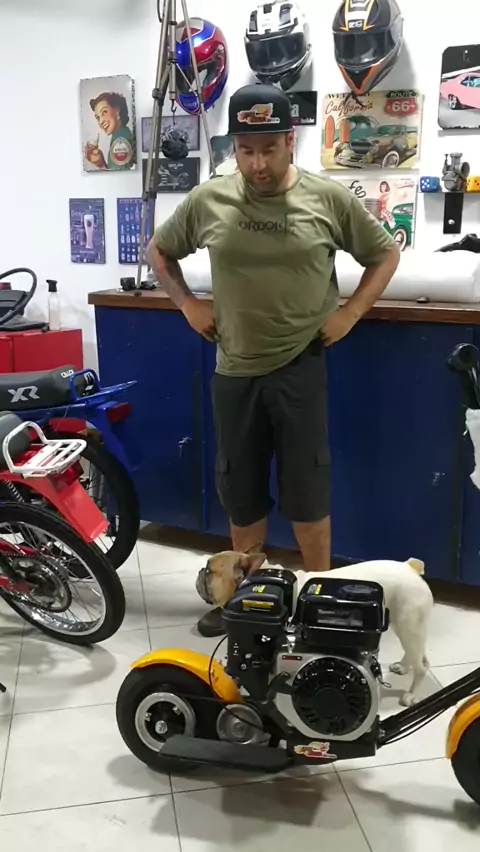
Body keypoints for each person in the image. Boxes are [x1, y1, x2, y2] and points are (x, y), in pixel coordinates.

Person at [147, 84, 400, 637]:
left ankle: (320, 605)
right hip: (234, 371)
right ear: (234, 149)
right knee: (241, 494)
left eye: (268, 149)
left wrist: (352, 312)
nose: (258, 164)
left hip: (300, 365)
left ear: (290, 142)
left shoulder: (327, 198)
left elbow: (385, 252)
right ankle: (248, 601)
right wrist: (186, 302)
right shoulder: (209, 199)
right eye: (246, 151)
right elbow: (159, 251)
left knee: (308, 493)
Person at [84, 92, 135, 170]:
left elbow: (117, 176)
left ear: (117, 110)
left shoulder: (120, 140)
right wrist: (101, 164)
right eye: (98, 118)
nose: (101, 121)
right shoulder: (122, 133)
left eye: (104, 112)